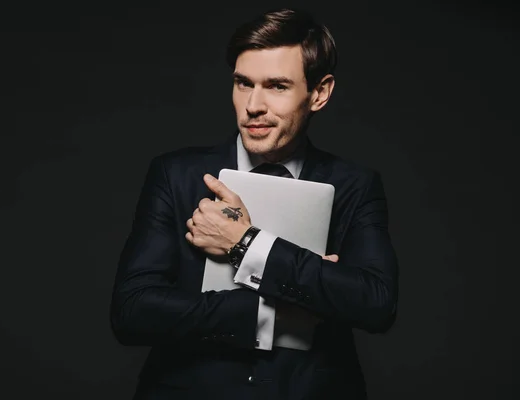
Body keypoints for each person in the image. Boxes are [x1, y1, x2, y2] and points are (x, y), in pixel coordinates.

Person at [110, 7, 398, 400]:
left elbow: (376, 305)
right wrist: (276, 308)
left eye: (277, 86)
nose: (253, 105)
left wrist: (245, 243)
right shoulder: (175, 174)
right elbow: (131, 313)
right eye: (243, 84)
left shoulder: (356, 186)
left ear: (319, 93)